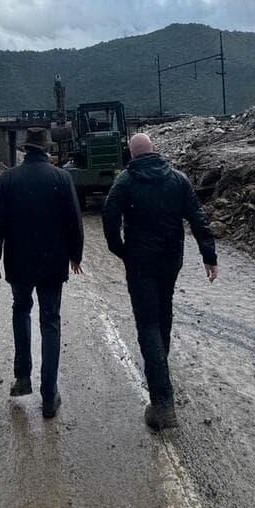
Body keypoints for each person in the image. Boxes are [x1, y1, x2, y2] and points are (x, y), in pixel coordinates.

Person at [102, 132, 218, 430]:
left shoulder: (125, 182)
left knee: (148, 324)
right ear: (154, 150)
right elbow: (197, 218)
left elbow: (109, 219)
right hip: (170, 260)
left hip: (140, 262)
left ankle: (162, 402)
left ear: (131, 154)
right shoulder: (178, 179)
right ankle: (160, 370)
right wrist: (209, 255)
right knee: (164, 313)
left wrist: (122, 252)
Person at [0, 126, 84, 418]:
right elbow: (74, 222)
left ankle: (23, 378)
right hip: (53, 263)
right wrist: (75, 255)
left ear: (25, 149)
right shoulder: (62, 178)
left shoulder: (9, 179)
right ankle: (50, 395)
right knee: (51, 320)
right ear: (48, 150)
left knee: (21, 311)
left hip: (19, 263)